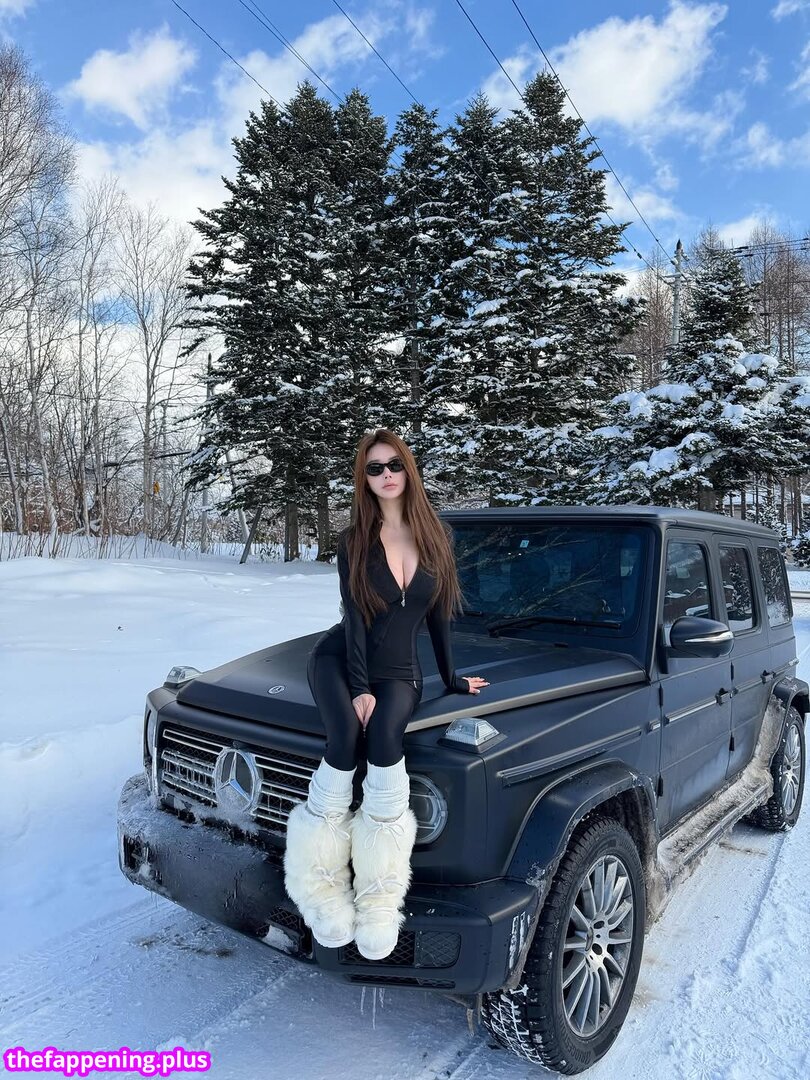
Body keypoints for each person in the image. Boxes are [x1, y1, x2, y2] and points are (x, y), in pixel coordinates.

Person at [283, 429, 489, 961]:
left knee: (384, 741)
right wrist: (358, 687)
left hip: (400, 672)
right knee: (344, 739)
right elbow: (353, 618)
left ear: (408, 470)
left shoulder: (436, 535)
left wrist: (452, 678)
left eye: (394, 464)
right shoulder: (353, 540)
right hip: (339, 660)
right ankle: (319, 887)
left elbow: (440, 615)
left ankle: (379, 898)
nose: (386, 475)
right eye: (374, 468)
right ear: (364, 479)